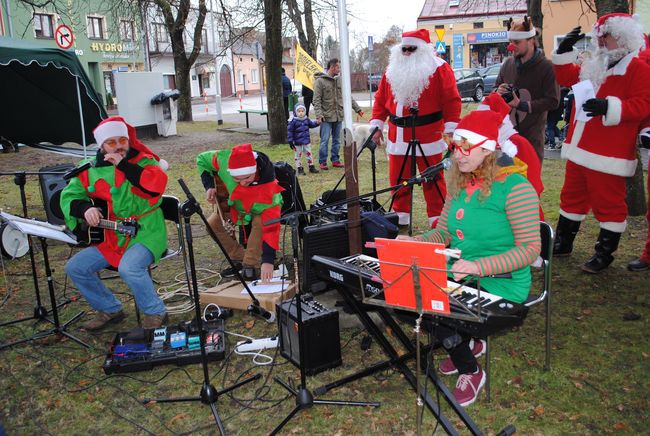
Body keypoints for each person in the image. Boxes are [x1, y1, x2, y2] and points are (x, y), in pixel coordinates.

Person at [399, 109, 541, 407]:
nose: (458, 155)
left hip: (502, 282)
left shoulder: (516, 188)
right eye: (455, 146)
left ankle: (470, 369)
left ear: (488, 148)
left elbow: (530, 250)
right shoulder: (460, 183)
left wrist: (479, 266)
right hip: (463, 273)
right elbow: (443, 235)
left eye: (466, 147)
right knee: (411, 299)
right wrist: (415, 241)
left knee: (439, 309)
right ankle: (462, 341)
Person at [551, 13, 650, 273]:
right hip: (580, 146)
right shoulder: (596, 63)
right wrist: (562, 52)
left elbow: (643, 105)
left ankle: (604, 254)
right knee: (571, 197)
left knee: (609, 203)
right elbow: (568, 78)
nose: (601, 41)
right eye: (600, 36)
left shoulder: (638, 69)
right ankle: (563, 242)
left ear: (623, 37)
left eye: (606, 36)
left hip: (609, 152)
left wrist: (609, 106)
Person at [61, 117, 169, 330]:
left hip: (147, 231)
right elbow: (68, 196)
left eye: (122, 140)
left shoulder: (145, 162)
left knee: (129, 267)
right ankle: (110, 308)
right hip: (112, 235)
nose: (118, 146)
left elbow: (155, 186)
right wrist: (85, 208)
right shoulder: (87, 168)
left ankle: (156, 312)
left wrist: (124, 165)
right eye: (111, 142)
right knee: (76, 267)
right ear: (101, 146)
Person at [370, 29, 462, 227]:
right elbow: (380, 100)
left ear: (422, 49)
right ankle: (400, 220)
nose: (407, 53)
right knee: (399, 179)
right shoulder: (391, 70)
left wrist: (451, 128)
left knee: (433, 178)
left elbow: (452, 100)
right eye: (404, 49)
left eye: (411, 48)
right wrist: (377, 124)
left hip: (429, 135)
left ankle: (438, 221)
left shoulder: (439, 69)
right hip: (398, 134)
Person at [197, 143, 283, 282]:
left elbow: (271, 225)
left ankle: (250, 265)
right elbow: (201, 159)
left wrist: (268, 260)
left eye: (247, 178)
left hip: (259, 209)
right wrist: (209, 186)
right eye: (237, 179)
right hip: (236, 205)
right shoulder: (223, 160)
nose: (242, 183)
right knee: (212, 224)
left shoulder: (269, 189)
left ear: (255, 171)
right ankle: (239, 257)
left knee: (260, 223)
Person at [495, 16, 559, 162]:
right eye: (510, 42)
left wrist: (521, 105)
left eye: (516, 42)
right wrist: (498, 91)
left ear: (531, 41)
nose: (511, 46)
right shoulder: (508, 64)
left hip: (532, 141)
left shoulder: (547, 67)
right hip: (506, 139)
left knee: (529, 183)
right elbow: (494, 89)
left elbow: (553, 101)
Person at [313, 58, 364, 170]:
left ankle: (335, 159)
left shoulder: (341, 80)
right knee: (324, 140)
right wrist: (319, 115)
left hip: (338, 115)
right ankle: (322, 161)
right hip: (326, 116)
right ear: (332, 67)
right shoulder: (320, 81)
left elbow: (347, 97)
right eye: (338, 67)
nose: (339, 69)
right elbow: (316, 100)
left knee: (337, 139)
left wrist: (358, 109)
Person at [287, 103, 320, 175]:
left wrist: (317, 123)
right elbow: (290, 131)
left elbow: (311, 124)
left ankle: (311, 166)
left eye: (302, 111)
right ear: (295, 112)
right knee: (298, 155)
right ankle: (299, 168)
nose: (301, 113)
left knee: (309, 154)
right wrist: (290, 141)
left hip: (306, 141)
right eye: (299, 111)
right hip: (297, 142)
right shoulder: (293, 121)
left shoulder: (306, 119)